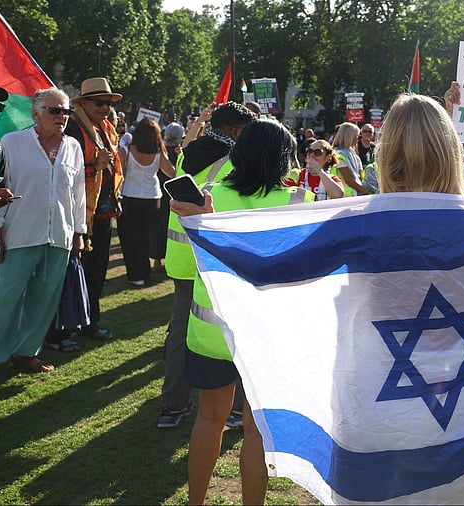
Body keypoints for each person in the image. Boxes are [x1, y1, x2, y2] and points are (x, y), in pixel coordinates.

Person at [170, 119, 314, 505]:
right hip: (267, 336)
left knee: (208, 420)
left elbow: (185, 265)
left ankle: (195, 502)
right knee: (256, 431)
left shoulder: (205, 197)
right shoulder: (300, 203)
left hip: (209, 330)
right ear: (286, 158)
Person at [157, 102, 255, 429]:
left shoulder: (190, 151)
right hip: (211, 257)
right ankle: (237, 408)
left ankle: (172, 405)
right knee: (228, 331)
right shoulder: (235, 161)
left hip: (182, 256)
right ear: (236, 132)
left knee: (180, 331)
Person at [0, 88, 86, 370]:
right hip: (18, 231)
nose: (62, 117)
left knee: (44, 299)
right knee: (5, 297)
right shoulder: (11, 142)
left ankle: (26, 353)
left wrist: (79, 232)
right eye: (55, 110)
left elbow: (78, 193)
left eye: (66, 111)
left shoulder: (73, 146)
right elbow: (0, 188)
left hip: (59, 233)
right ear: (35, 113)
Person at [65, 77, 124, 341]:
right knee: (76, 270)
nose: (105, 108)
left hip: (102, 209)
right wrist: (94, 167)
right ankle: (69, 325)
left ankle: (90, 321)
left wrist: (115, 195)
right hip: (79, 213)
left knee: (97, 269)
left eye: (108, 103)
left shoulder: (105, 128)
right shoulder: (73, 129)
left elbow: (112, 167)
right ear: (84, 103)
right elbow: (65, 172)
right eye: (99, 102)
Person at [117, 118, 176, 285]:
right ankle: (145, 271)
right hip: (153, 198)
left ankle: (136, 275)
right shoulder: (159, 153)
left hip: (130, 196)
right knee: (146, 237)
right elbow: (172, 173)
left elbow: (119, 173)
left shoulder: (127, 151)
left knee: (130, 239)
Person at [151, 122, 184, 272]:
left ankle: (157, 260)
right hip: (173, 193)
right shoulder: (179, 152)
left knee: (158, 227)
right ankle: (161, 259)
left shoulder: (160, 150)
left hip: (161, 192)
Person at [331, 122, 368, 196]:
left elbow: (359, 175)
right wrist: (365, 191)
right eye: (357, 136)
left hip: (354, 195)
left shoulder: (353, 153)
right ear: (349, 137)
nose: (358, 139)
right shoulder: (339, 154)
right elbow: (348, 180)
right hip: (343, 197)